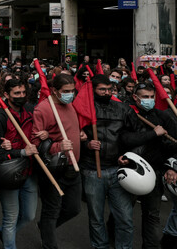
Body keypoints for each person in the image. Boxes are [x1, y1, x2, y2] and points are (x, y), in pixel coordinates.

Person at [80, 74, 140, 249]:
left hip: (118, 170)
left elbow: (135, 137)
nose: (106, 93)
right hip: (92, 170)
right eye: (102, 90)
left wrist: (128, 156)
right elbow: (72, 134)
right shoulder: (83, 109)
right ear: (93, 90)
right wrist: (86, 144)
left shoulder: (123, 109)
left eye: (109, 89)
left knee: (125, 218)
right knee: (96, 218)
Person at [121, 82, 177, 248]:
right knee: (124, 213)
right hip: (131, 170)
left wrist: (171, 167)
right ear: (135, 98)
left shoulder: (164, 117)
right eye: (145, 97)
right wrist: (153, 133)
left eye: (152, 97)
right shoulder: (129, 115)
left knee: (152, 215)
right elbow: (125, 139)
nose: (149, 100)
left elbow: (175, 146)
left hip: (156, 171)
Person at [0, 78, 41, 249]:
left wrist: (44, 134)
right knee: (11, 217)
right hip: (9, 173)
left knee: (29, 215)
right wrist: (19, 152)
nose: (21, 96)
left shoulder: (30, 110)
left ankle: (4, 232)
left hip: (29, 171)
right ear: (6, 94)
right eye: (16, 93)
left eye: (23, 93)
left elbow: (35, 134)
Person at [31, 74, 81, 249]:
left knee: (74, 208)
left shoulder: (69, 104)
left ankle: (46, 228)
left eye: (72, 91)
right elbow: (36, 143)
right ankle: (49, 242)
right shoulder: (43, 109)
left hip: (73, 166)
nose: (70, 94)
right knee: (51, 210)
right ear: (54, 91)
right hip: (53, 168)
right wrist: (57, 146)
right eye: (65, 91)